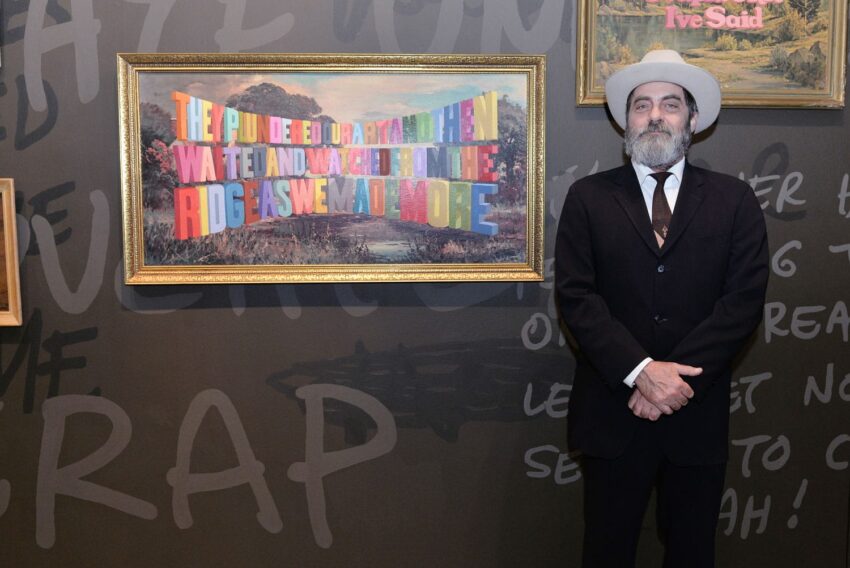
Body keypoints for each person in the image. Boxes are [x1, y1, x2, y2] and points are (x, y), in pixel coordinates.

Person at [555, 50, 769, 567]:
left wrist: (671, 383)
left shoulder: (734, 200)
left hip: (695, 417)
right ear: (625, 121)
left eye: (670, 105)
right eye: (642, 105)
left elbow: (741, 303)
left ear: (692, 120)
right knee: (605, 552)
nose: (655, 115)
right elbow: (577, 298)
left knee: (693, 553)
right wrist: (641, 373)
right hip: (612, 418)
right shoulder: (588, 197)